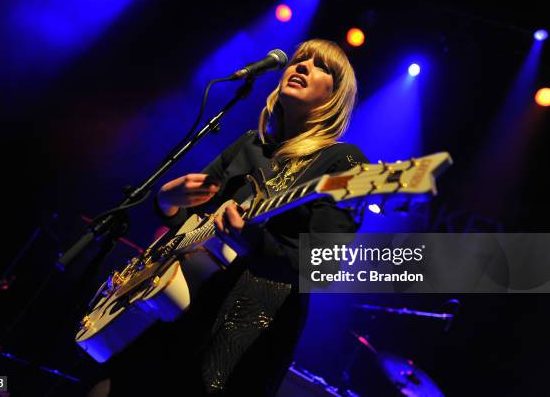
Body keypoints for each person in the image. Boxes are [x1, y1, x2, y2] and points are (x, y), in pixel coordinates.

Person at [88, 38, 368, 397]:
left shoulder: (342, 163)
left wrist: (254, 244)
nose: (301, 67)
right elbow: (190, 228)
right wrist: (168, 201)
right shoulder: (249, 145)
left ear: (334, 97)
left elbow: (322, 266)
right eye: (299, 60)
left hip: (248, 320)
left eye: (320, 66)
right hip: (178, 302)